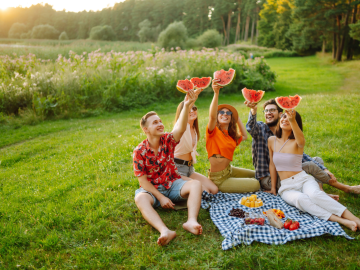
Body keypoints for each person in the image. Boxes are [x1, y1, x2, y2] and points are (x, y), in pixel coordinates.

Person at [267, 110, 360, 231]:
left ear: (295, 123)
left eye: (288, 118)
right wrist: (274, 188)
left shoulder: (297, 142)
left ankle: (355, 219)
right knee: (301, 200)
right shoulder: (271, 140)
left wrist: (292, 119)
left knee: (315, 195)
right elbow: (272, 166)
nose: (285, 119)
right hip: (286, 187)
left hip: (303, 179)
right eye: (283, 117)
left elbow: (301, 140)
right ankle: (343, 221)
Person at [245, 99, 360, 195]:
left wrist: (324, 168)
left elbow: (300, 155)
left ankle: (319, 191)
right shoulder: (260, 128)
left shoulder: (284, 133)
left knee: (317, 160)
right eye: (266, 110)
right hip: (269, 179)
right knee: (310, 165)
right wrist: (253, 110)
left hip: (286, 171)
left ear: (281, 114)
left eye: (272, 110)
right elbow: (250, 127)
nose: (268, 113)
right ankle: (346, 188)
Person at [133, 89, 203, 246]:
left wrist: (186, 105)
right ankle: (164, 231)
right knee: (140, 198)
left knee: (196, 184)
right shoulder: (139, 151)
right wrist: (160, 197)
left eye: (160, 121)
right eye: (155, 122)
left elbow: (180, 129)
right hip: (152, 190)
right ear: (145, 129)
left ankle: (191, 221)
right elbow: (143, 182)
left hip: (172, 184)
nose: (160, 124)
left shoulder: (168, 140)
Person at [205, 79, 260, 193]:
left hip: (229, 170)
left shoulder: (230, 136)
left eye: (228, 113)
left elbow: (244, 136)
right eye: (221, 112)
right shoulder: (212, 132)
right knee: (256, 184)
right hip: (219, 179)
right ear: (217, 115)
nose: (225, 114)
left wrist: (237, 117)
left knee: (257, 175)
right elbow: (212, 117)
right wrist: (216, 93)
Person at [173, 100, 219, 194]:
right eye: (188, 110)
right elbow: (180, 122)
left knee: (214, 190)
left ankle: (188, 191)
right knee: (205, 191)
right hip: (177, 170)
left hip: (190, 169)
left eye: (194, 108)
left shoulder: (193, 128)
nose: (192, 111)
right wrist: (192, 98)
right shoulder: (179, 129)